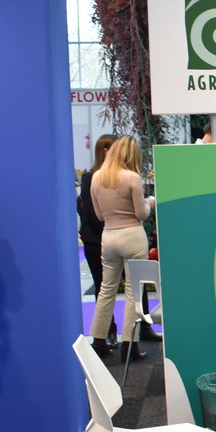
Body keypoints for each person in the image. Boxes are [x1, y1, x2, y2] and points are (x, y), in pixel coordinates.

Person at [87, 135, 154, 362]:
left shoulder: (97, 177)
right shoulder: (132, 177)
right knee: (134, 293)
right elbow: (141, 214)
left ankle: (98, 341)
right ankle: (129, 345)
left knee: (106, 290)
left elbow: (98, 215)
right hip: (132, 236)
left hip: (109, 236)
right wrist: (150, 203)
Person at [78, 133, 118, 341]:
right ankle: (107, 331)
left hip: (116, 236)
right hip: (96, 239)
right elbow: (90, 211)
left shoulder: (121, 176)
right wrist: (112, 229)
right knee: (102, 286)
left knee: (135, 281)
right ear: (105, 150)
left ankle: (143, 328)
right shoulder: (90, 177)